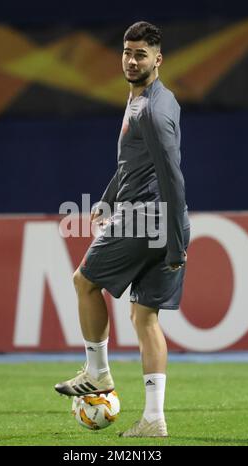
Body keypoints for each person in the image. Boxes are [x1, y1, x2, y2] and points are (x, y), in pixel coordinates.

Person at [55, 21, 190, 438]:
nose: (132, 60)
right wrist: (108, 198)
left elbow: (171, 175)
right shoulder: (151, 100)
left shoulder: (151, 110)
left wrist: (176, 241)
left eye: (141, 54)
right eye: (127, 53)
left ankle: (98, 373)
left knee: (84, 282)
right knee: (144, 316)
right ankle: (154, 418)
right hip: (154, 219)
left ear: (158, 59)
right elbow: (134, 164)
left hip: (145, 218)